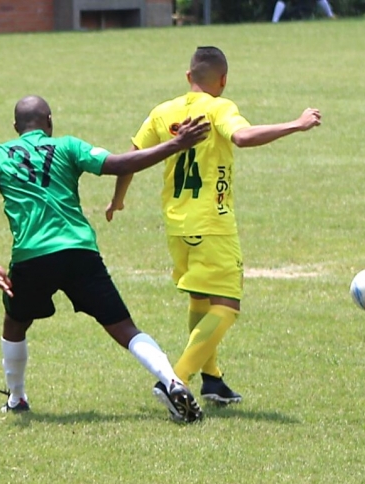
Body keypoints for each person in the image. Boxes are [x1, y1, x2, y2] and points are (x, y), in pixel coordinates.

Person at [0, 95, 211, 422]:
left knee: (15, 323)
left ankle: (17, 398)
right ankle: (171, 380)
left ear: (16, 128)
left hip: (32, 255)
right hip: (79, 251)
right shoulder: (68, 147)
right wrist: (175, 144)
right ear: (50, 122)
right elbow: (120, 164)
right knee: (124, 328)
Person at [106, 46, 321, 405]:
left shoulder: (163, 111)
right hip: (212, 223)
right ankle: (174, 380)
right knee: (227, 305)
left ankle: (213, 379)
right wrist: (296, 124)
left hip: (176, 224)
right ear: (222, 80)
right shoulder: (220, 107)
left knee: (200, 299)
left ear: (189, 77)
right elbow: (242, 137)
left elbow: (130, 158)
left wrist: (118, 199)